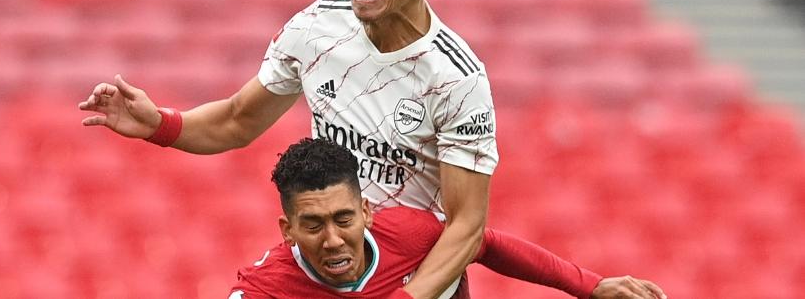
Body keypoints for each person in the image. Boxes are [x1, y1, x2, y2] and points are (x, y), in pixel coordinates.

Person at [78, 0, 648, 298]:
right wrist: (160, 125)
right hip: (332, 255)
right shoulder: (318, 27)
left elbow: (468, 227)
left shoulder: (456, 77)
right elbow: (234, 120)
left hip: (414, 275)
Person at [230, 137, 667, 299]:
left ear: (366, 210)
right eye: (313, 225)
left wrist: (589, 285)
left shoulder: (405, 233)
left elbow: (485, 243)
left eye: (343, 219)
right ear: (287, 231)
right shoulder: (265, 290)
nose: (332, 239)